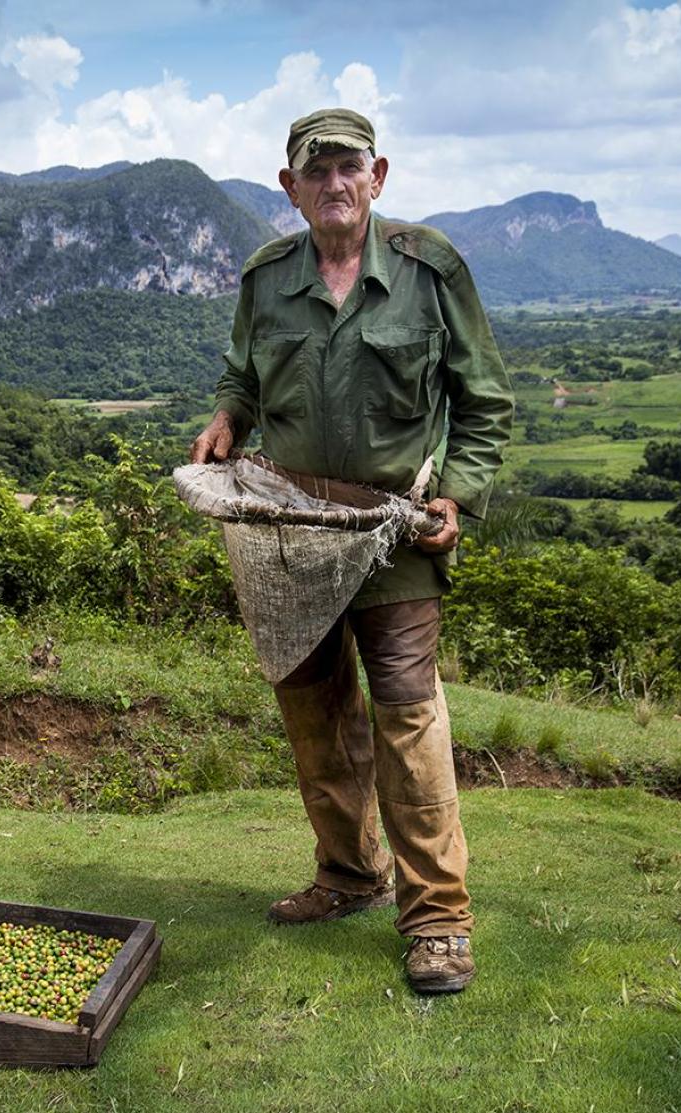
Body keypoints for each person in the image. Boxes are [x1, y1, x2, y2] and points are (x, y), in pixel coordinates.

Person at [188, 107, 512, 994]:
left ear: (379, 176)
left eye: (350, 167)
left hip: (394, 532)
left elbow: (483, 403)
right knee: (312, 708)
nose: (335, 183)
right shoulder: (267, 278)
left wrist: (459, 494)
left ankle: (438, 917)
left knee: (408, 715)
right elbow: (243, 375)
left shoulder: (429, 271)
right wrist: (228, 417)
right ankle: (347, 874)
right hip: (290, 533)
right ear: (290, 188)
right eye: (316, 170)